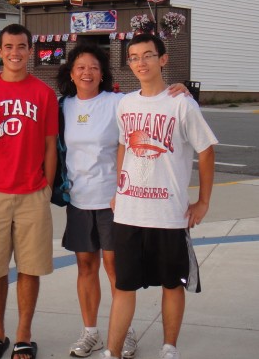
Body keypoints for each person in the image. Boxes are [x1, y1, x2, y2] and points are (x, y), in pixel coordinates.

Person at [57, 43, 189, 359]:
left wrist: (177, 88)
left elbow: (150, 97)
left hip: (115, 201)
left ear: (103, 74)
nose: (87, 72)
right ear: (71, 74)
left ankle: (124, 333)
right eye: (80, 67)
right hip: (78, 199)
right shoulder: (62, 106)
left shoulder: (117, 102)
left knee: (118, 269)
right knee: (85, 266)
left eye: (93, 67)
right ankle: (91, 332)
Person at [103, 33, 217, 359]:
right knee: (124, 286)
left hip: (168, 213)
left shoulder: (181, 103)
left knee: (172, 284)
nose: (141, 62)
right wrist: (119, 187)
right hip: (129, 212)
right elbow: (124, 144)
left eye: (148, 55)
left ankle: (169, 348)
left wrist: (204, 201)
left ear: (162, 59)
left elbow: (206, 150)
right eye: (135, 57)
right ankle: (112, 352)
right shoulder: (125, 103)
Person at [0, 23, 59, 359]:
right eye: (9, 47)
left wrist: (46, 187)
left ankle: (23, 334)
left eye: (21, 46)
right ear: (0, 50)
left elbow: (51, 145)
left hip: (33, 193)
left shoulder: (43, 94)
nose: (15, 53)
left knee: (30, 267)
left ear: (30, 51)